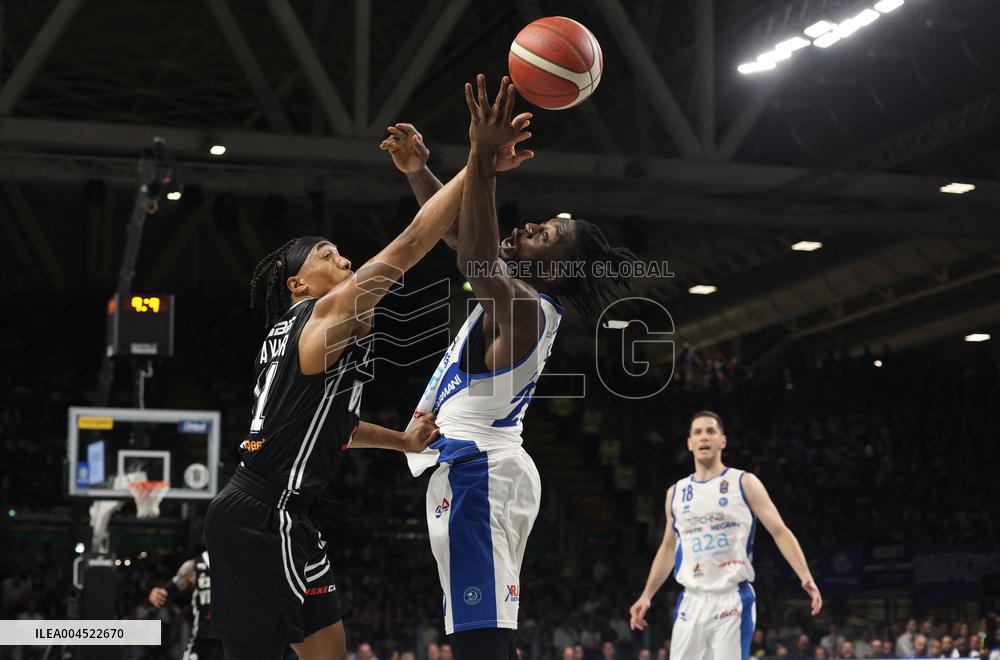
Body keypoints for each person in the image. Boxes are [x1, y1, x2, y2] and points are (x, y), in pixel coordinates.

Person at [204, 79, 484, 659]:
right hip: (264, 513)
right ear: (297, 285)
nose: (340, 256)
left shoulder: (310, 339)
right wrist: (479, 157)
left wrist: (404, 441)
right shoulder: (319, 317)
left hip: (289, 513)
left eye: (340, 250)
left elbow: (337, 427)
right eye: (323, 254)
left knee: (328, 649)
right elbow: (409, 245)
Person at [380, 75, 635, 660]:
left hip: (483, 475)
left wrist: (480, 157)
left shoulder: (526, 310)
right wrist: (420, 171)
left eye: (544, 235)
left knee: (481, 640)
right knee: (474, 633)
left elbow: (473, 252)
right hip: (469, 467)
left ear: (552, 272)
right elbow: (460, 239)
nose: (527, 228)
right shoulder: (513, 297)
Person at [627, 411, 823, 659]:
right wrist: (647, 595)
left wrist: (805, 575)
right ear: (689, 443)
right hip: (691, 601)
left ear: (723, 441)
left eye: (711, 431)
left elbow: (780, 531)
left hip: (731, 600)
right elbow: (668, 548)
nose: (704, 437)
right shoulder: (675, 493)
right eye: (697, 432)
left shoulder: (744, 483)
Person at [147, 551, 219, 660]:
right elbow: (166, 591)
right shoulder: (194, 566)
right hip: (203, 639)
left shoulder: (241, 561)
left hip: (233, 639)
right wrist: (157, 594)